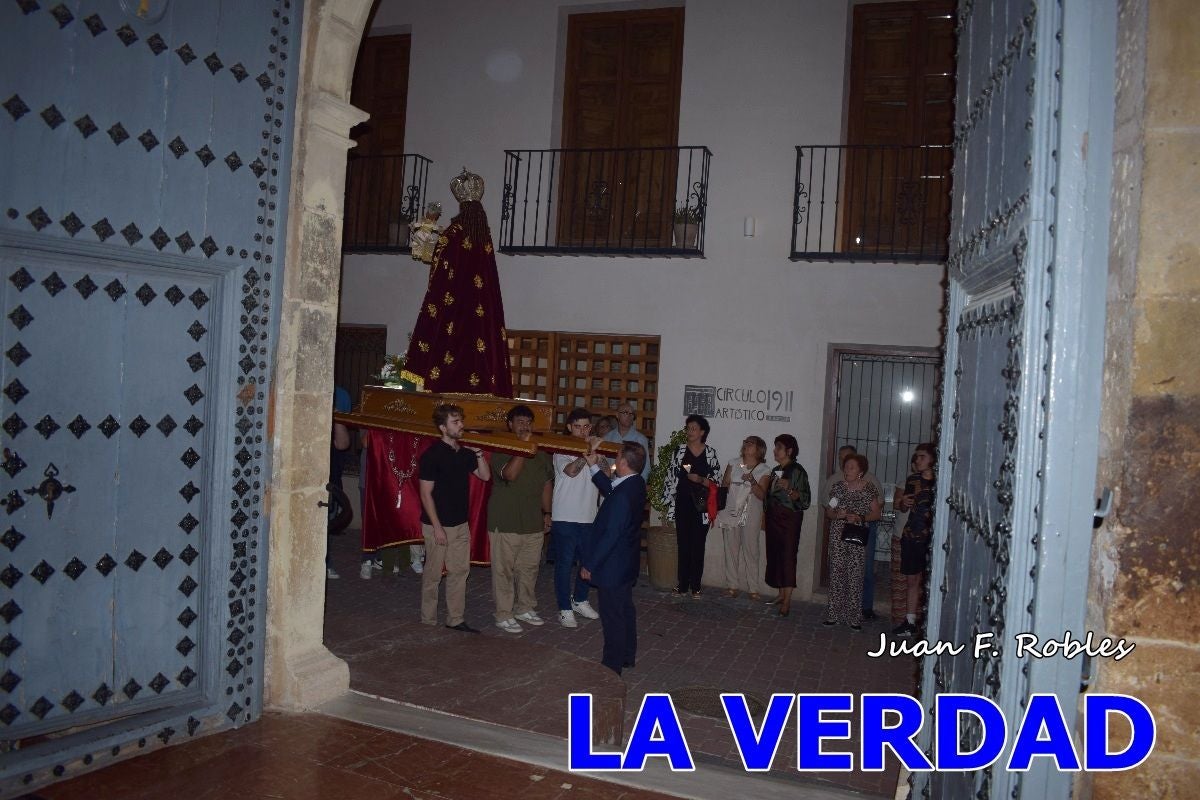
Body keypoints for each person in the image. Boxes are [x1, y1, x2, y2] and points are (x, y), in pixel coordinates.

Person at [418, 403, 491, 632]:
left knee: (460, 572)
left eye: (461, 421)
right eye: (455, 422)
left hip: (460, 524)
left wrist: (479, 454)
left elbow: (485, 476)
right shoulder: (432, 455)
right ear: (442, 427)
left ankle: (455, 619)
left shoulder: (466, 453)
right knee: (432, 575)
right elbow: (425, 493)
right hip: (437, 525)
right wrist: (437, 527)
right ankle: (428, 620)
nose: (461, 425)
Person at [580, 441, 648, 675]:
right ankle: (627, 655)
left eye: (616, 457)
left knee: (613, 617)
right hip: (626, 562)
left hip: (613, 565)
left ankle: (611, 666)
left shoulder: (622, 495)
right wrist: (593, 467)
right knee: (625, 610)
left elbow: (610, 535)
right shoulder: (636, 483)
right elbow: (612, 489)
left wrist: (590, 563)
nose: (613, 460)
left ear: (622, 462)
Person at [487, 405, 554, 634]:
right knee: (503, 570)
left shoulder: (542, 453)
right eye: (519, 422)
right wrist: (523, 448)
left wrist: (547, 513)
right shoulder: (501, 447)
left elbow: (546, 484)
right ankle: (503, 614)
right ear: (510, 425)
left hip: (532, 521)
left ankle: (525, 607)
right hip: (505, 520)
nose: (524, 426)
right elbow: (510, 474)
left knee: (529, 568)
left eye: (528, 422)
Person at [550, 408, 604, 628]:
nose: (583, 431)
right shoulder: (560, 449)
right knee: (564, 564)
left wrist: (597, 456)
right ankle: (564, 608)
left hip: (589, 515)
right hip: (565, 515)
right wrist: (589, 451)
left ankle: (580, 599)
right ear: (569, 427)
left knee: (589, 562)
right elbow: (571, 471)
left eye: (587, 427)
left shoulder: (596, 450)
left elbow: (607, 474)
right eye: (578, 426)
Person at [661, 414, 720, 597]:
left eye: (694, 428)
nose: (690, 431)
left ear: (702, 432)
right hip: (683, 503)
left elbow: (716, 481)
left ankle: (696, 586)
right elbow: (670, 478)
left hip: (701, 507)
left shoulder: (710, 453)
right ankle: (682, 584)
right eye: (688, 428)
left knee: (698, 545)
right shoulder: (679, 451)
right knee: (683, 544)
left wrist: (701, 479)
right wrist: (667, 502)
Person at [824, 445, 884, 619]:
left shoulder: (868, 488)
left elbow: (876, 514)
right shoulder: (838, 488)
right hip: (838, 534)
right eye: (846, 467)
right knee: (837, 572)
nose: (847, 470)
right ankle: (834, 614)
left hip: (857, 535)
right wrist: (837, 514)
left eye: (851, 467)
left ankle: (853, 615)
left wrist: (859, 517)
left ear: (860, 471)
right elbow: (829, 510)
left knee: (856, 574)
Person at [716, 436, 772, 600]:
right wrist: (734, 485)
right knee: (731, 549)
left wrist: (752, 482)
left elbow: (762, 495)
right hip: (731, 510)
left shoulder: (764, 469)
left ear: (759, 449)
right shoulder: (733, 462)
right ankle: (732, 586)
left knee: (751, 550)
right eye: (745, 442)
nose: (746, 445)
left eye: (750, 443)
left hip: (751, 513)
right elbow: (724, 485)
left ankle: (753, 588)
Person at [892, 443, 936, 637]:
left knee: (929, 581)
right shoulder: (912, 479)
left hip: (931, 538)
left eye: (922, 457)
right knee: (911, 580)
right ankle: (909, 622)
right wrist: (903, 503)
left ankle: (929, 622)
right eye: (916, 457)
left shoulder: (939, 481)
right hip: (911, 535)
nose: (917, 460)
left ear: (933, 459)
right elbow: (903, 507)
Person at [763, 434, 810, 616]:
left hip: (789, 518)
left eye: (779, 447)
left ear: (789, 451)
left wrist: (790, 489)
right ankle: (781, 594)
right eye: (775, 447)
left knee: (788, 556)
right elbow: (768, 496)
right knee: (774, 554)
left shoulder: (798, 471)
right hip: (773, 517)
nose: (775, 451)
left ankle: (788, 601)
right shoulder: (775, 470)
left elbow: (805, 499)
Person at [327, 386, 352, 579]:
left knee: (326, 524)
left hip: (331, 477)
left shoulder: (341, 395)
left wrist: (335, 416)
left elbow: (342, 444)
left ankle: (325, 563)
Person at [602, 402, 651, 480]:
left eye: (631, 414)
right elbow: (602, 463)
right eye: (625, 413)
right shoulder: (607, 438)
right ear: (617, 415)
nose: (629, 416)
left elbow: (646, 469)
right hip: (610, 485)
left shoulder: (640, 439)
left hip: (631, 486)